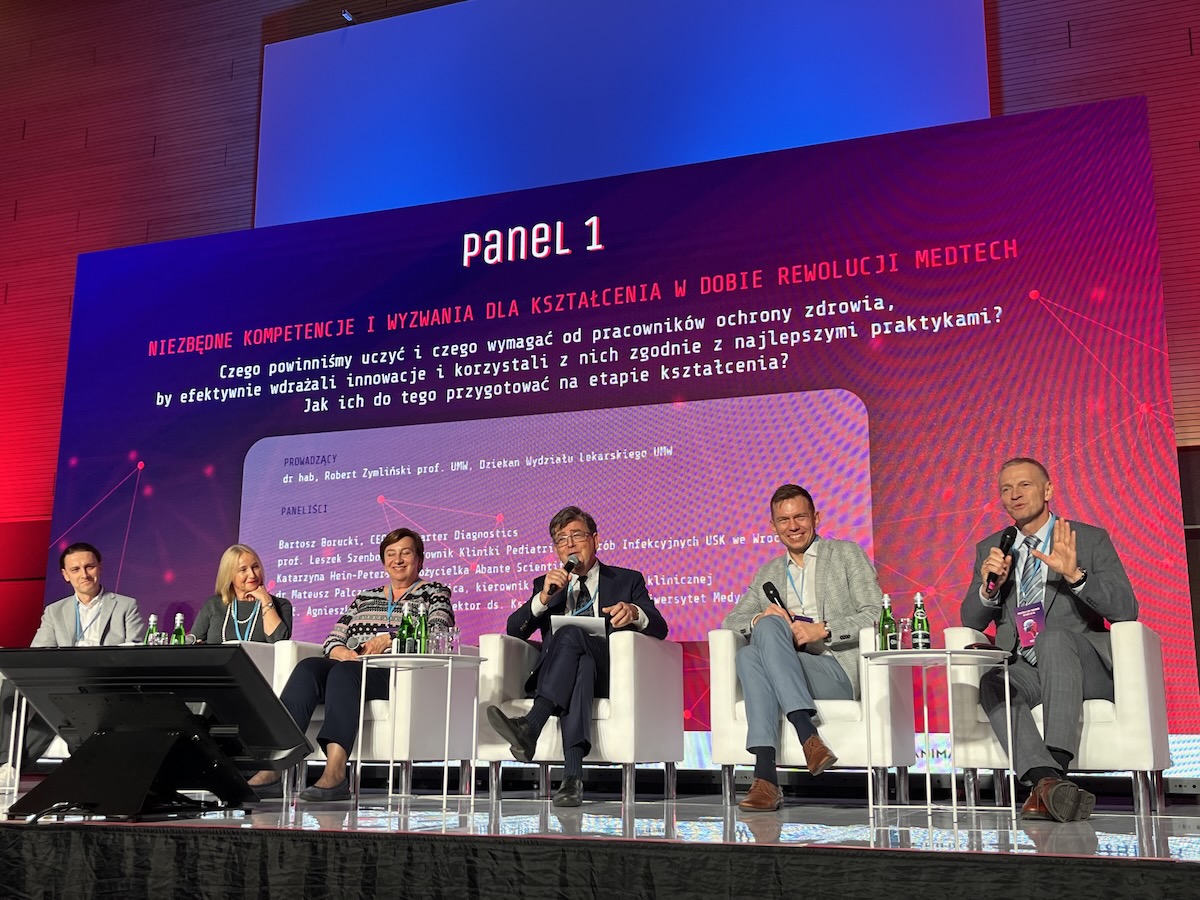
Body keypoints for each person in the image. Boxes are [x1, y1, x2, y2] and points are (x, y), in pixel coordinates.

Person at [962, 457, 1137, 823]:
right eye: (1006, 489)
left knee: (1053, 638)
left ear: (1048, 490)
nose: (1014, 495)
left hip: (1081, 665)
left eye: (1024, 485)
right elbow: (971, 620)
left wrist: (1076, 576)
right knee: (994, 681)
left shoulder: (1087, 538)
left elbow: (1126, 609)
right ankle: (1048, 783)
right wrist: (989, 588)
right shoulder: (993, 548)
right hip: (1027, 667)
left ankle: (1056, 765)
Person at [247, 528, 453, 801]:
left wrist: (389, 639)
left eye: (406, 553)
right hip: (352, 666)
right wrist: (341, 651)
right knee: (308, 668)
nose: (398, 560)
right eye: (391, 554)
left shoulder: (434, 592)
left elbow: (438, 631)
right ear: (383, 561)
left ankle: (335, 773)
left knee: (345, 673)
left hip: (396, 673)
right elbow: (333, 638)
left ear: (420, 559)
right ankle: (274, 767)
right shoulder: (365, 597)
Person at [486, 506, 669, 807]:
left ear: (595, 540)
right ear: (556, 549)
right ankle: (572, 779)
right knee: (579, 665)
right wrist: (543, 598)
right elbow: (514, 630)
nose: (569, 545)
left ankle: (532, 724)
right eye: (561, 540)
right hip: (565, 676)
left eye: (577, 536)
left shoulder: (626, 580)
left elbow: (660, 627)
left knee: (571, 634)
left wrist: (634, 613)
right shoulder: (546, 585)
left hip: (608, 674)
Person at [722, 484, 883, 811]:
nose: (793, 526)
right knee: (757, 640)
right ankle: (805, 739)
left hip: (835, 670)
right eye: (784, 520)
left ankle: (767, 776)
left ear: (816, 518)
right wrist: (759, 618)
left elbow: (876, 614)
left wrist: (822, 629)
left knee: (752, 652)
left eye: (800, 517)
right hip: (790, 669)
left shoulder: (846, 554)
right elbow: (731, 621)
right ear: (773, 526)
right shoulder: (768, 572)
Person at [0, 542, 144, 786]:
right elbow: (39, 653)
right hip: (63, 678)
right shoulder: (55, 611)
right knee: (13, 685)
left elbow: (135, 649)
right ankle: (7, 764)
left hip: (103, 678)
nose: (84, 574)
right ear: (66, 575)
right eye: (75, 569)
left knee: (51, 713)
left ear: (100, 568)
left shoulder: (125, 605)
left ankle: (16, 766)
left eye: (89, 567)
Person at [192, 544, 293, 644]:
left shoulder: (281, 605)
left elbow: (279, 642)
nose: (252, 575)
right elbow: (192, 642)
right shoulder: (213, 605)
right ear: (229, 575)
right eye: (243, 570)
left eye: (255, 567)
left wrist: (265, 599)